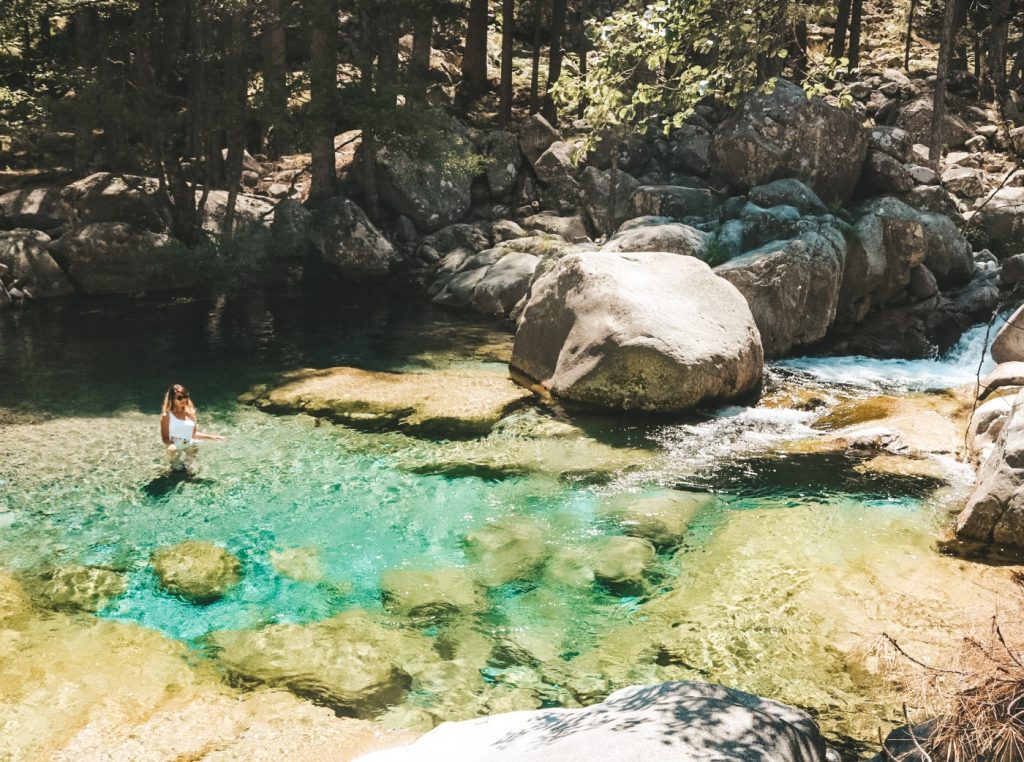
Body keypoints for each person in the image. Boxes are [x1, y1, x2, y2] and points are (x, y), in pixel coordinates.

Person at [160, 384, 225, 474]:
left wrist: (212, 437)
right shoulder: (166, 416)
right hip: (175, 446)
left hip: (189, 444)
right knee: (174, 470)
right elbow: (165, 438)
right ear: (172, 399)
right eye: (179, 398)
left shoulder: (191, 412)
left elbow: (193, 434)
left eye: (186, 396)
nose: (184, 400)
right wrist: (171, 445)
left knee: (192, 470)